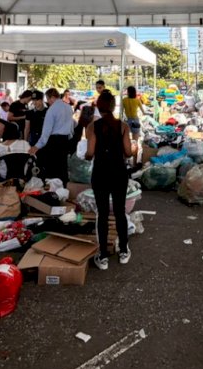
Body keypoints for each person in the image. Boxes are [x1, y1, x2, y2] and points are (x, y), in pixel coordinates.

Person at [85, 91, 133, 270]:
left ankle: (103, 256)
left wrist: (88, 157)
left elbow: (90, 152)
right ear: (114, 107)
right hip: (119, 172)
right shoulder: (123, 126)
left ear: (98, 106)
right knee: (120, 212)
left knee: (102, 213)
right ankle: (123, 251)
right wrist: (133, 151)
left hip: (100, 173)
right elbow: (128, 152)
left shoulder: (92, 127)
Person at [29, 88, 74, 183]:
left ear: (52, 97)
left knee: (52, 168)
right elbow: (71, 126)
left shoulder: (51, 110)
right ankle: (63, 188)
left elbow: (46, 131)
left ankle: (52, 191)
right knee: (62, 166)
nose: (48, 102)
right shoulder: (68, 107)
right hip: (65, 140)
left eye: (48, 99)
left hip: (54, 141)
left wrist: (37, 146)